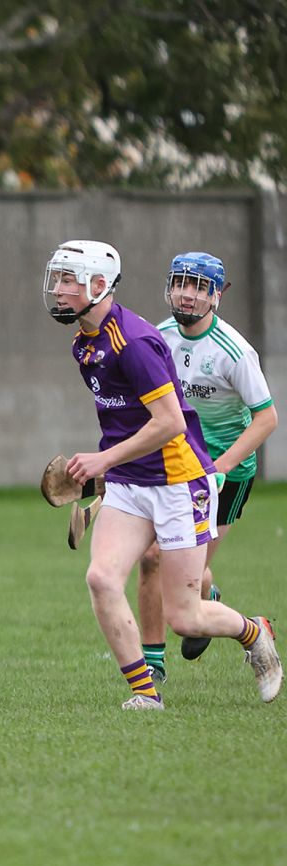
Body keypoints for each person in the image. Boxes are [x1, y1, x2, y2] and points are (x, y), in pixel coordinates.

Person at [43, 239, 280, 710]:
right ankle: (146, 693)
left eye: (67, 280)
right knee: (102, 579)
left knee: (187, 618)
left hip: (179, 484)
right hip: (131, 484)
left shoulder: (134, 342)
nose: (58, 289)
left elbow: (170, 423)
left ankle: (254, 634)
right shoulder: (84, 343)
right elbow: (124, 419)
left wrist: (103, 461)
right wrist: (107, 473)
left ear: (96, 284)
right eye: (57, 278)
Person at [135, 252, 277, 682]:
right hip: (177, 466)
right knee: (151, 560)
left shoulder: (234, 351)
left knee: (166, 557)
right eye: (180, 283)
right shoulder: (156, 338)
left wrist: (221, 466)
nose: (187, 294)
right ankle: (154, 664)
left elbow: (267, 418)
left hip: (225, 476)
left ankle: (244, 623)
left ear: (218, 295)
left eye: (199, 286)